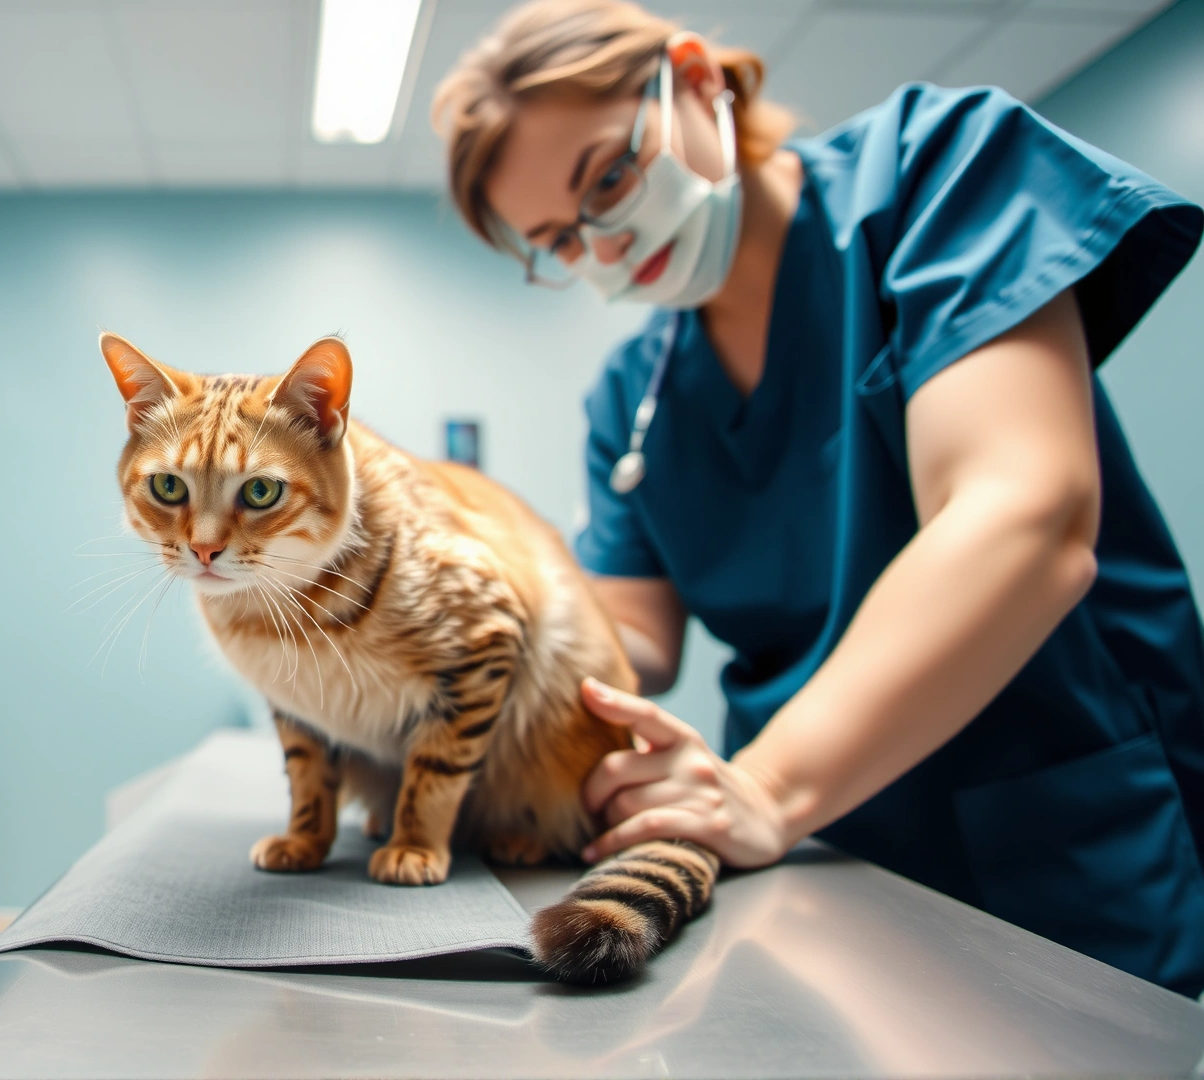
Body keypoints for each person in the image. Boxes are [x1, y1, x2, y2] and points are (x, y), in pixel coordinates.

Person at [433, 0, 1204, 994]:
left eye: (611, 179)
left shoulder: (936, 173)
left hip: (1054, 840)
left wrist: (767, 784)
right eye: (562, 240)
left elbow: (1025, 517)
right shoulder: (635, 392)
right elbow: (632, 636)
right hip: (811, 872)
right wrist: (467, 636)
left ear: (698, 80)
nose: (607, 241)